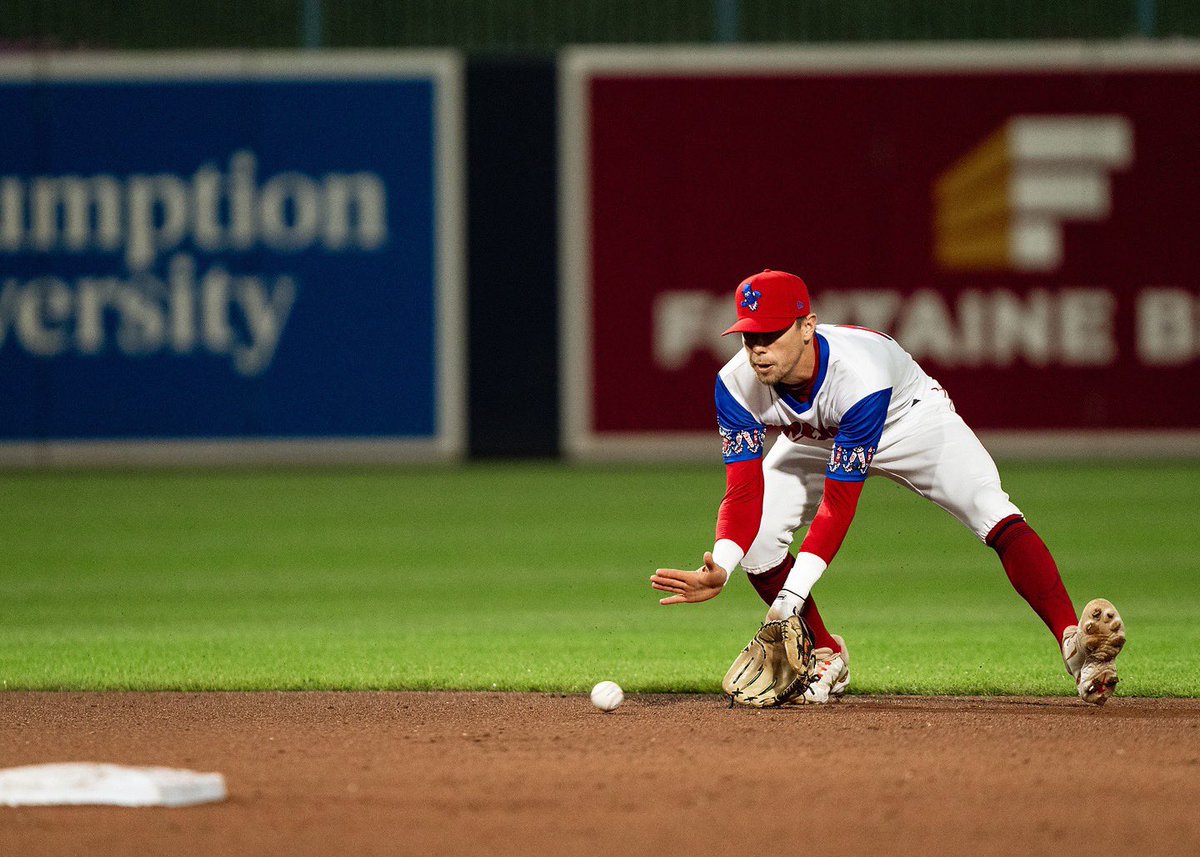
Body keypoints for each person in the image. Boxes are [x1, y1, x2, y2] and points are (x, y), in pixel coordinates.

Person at [650, 269, 1126, 705]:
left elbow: (837, 507)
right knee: (757, 543)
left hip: (909, 421)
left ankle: (1074, 646)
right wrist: (723, 564)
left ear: (807, 327)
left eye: (770, 334)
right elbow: (743, 493)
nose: (757, 349)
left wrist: (787, 603)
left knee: (990, 508)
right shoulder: (735, 383)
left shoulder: (858, 375)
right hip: (817, 439)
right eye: (749, 335)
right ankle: (827, 653)